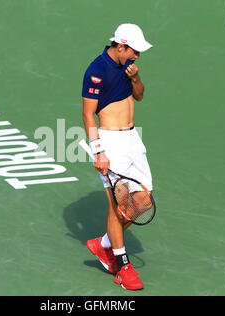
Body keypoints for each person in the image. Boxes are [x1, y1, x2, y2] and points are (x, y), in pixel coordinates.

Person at [81, 23, 153, 290]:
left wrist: (135, 78)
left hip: (133, 138)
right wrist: (99, 151)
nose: (137, 56)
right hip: (110, 142)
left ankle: (104, 244)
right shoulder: (96, 70)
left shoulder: (128, 66)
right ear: (120, 46)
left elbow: (141, 96)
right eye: (134, 50)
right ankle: (123, 267)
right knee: (118, 205)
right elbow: (88, 114)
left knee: (143, 201)